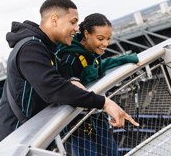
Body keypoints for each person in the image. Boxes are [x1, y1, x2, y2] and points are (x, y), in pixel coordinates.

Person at [0, 0, 139, 144]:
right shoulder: (31, 48)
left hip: (30, 133)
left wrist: (72, 80)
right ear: (54, 20)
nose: (77, 29)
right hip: (16, 137)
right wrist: (104, 103)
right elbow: (53, 88)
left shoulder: (44, 47)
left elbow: (58, 78)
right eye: (73, 22)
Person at [57, 13, 139, 156]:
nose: (106, 44)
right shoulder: (69, 59)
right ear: (86, 34)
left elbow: (101, 65)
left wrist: (126, 58)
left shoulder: (90, 54)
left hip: (96, 114)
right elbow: (64, 89)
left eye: (108, 39)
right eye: (100, 39)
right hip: (77, 123)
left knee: (111, 153)